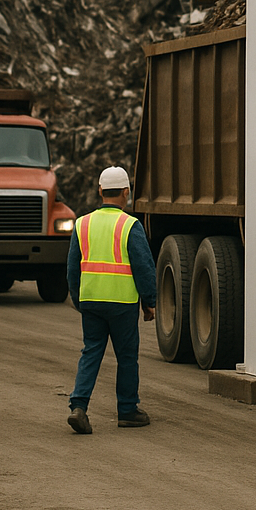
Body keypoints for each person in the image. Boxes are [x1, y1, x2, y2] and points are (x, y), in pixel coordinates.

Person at [66, 165, 158, 434]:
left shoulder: (82, 223)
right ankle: (128, 410)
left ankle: (79, 406)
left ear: (99, 191)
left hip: (91, 301)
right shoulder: (130, 225)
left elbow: (73, 268)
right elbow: (144, 266)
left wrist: (77, 299)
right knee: (127, 357)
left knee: (91, 352)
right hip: (121, 304)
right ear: (126, 193)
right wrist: (149, 301)